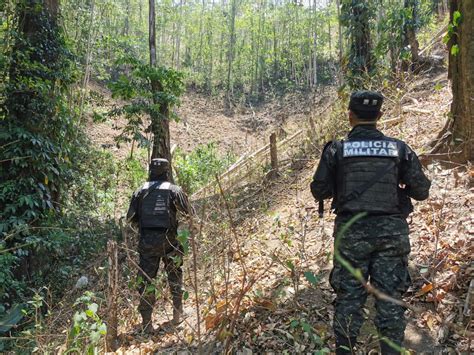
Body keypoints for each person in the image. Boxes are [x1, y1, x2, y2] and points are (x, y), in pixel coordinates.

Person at [310, 91, 431, 354]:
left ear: (350, 115)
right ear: (380, 116)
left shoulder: (337, 150)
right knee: (389, 299)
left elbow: (319, 190)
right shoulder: (399, 149)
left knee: (349, 299)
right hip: (391, 234)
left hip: (351, 234)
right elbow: (421, 190)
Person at [127, 158, 193, 333]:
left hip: (147, 244)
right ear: (167, 171)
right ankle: (178, 313)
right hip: (170, 241)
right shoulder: (174, 190)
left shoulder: (139, 191)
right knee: (174, 275)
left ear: (150, 171)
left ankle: (147, 323)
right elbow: (189, 213)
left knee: (147, 280)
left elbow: (130, 219)